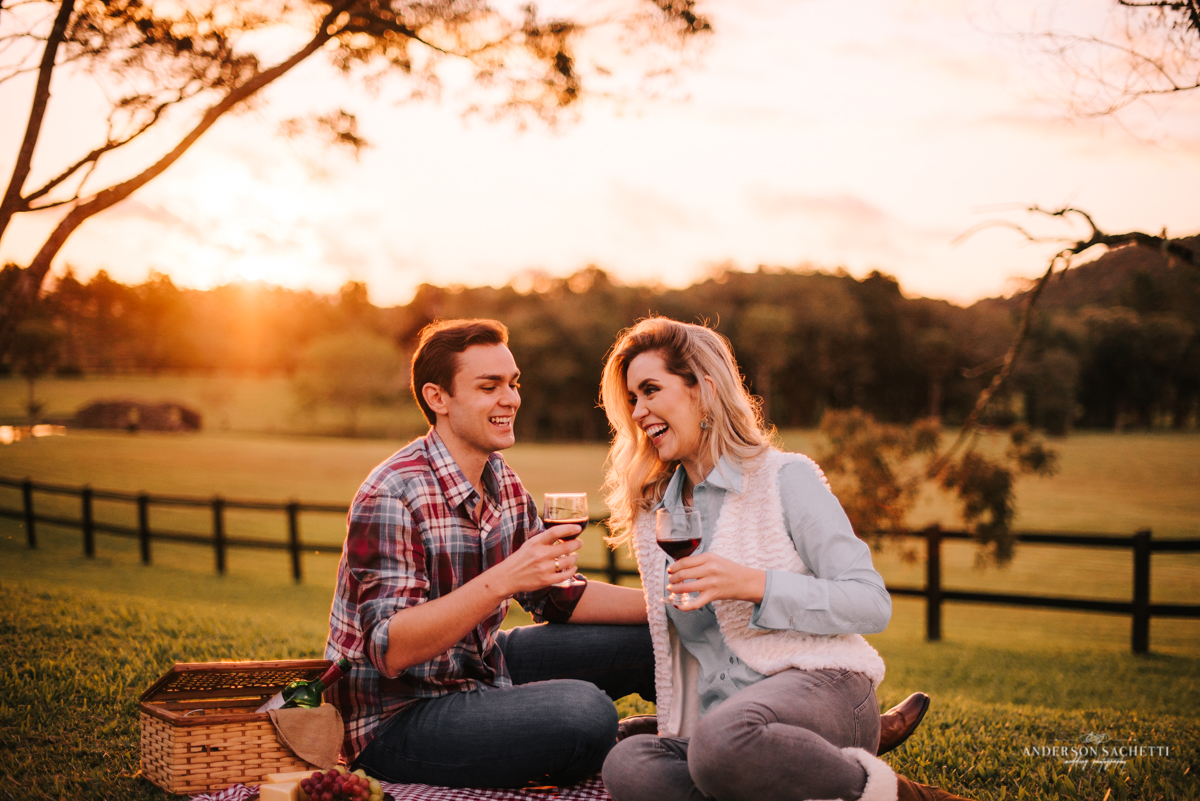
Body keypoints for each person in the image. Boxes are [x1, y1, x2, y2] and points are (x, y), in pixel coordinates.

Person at [598, 317, 970, 801]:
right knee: (629, 764)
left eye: (650, 390)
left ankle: (900, 795)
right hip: (726, 723)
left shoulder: (785, 478)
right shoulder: (657, 513)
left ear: (704, 390)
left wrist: (753, 583)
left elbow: (871, 602)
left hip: (824, 686)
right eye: (632, 399)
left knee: (721, 743)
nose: (639, 411)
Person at [324, 318, 655, 789]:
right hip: (395, 717)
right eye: (489, 386)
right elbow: (390, 650)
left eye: (513, 383)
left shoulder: (501, 479)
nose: (511, 398)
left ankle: (701, 748)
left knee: (652, 639)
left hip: (475, 668)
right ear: (438, 398)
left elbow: (556, 596)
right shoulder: (391, 493)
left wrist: (663, 604)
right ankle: (614, 745)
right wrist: (504, 579)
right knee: (585, 713)